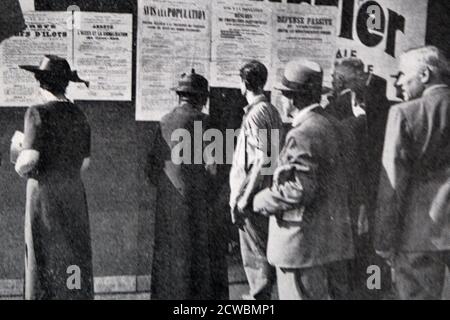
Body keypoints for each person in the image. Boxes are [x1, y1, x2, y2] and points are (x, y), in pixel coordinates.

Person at [252, 59, 354, 300]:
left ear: (292, 99)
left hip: (301, 247)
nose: (282, 100)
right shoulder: (338, 127)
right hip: (333, 244)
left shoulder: (302, 133)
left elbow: (299, 189)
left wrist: (262, 199)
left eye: (284, 95)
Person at [375, 46, 450, 300]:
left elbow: (392, 185)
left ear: (426, 74)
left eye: (402, 74)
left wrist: (383, 241)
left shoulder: (404, 113)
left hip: (419, 233)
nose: (398, 83)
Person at [146, 69, 228, 299]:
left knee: (169, 259)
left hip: (168, 204)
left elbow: (151, 169)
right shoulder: (208, 122)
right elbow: (214, 168)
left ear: (179, 96)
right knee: (198, 263)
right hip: (198, 204)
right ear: (202, 99)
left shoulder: (163, 121)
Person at [16, 55, 93, 299]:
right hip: (73, 193)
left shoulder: (36, 113)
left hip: (45, 196)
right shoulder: (79, 114)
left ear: (41, 83)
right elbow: (85, 163)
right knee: (73, 252)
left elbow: (28, 160)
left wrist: (19, 164)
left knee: (43, 254)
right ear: (65, 84)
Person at [229, 60, 282, 300]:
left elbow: (262, 159)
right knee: (262, 249)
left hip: (252, 193)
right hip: (265, 190)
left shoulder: (255, 114)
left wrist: (244, 198)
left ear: (244, 84)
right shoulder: (270, 110)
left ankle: (259, 298)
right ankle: (261, 295)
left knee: (254, 252)